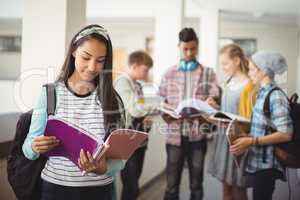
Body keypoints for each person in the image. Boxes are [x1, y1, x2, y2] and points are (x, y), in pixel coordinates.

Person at [22, 24, 126, 200]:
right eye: (86, 57)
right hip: (55, 190)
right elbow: (28, 147)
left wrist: (103, 168)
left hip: (100, 191)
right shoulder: (50, 93)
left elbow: (120, 159)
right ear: (73, 51)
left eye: (100, 60)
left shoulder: (111, 99)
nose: (92, 67)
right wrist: (34, 146)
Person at [158, 27, 219, 200]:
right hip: (174, 136)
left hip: (197, 137)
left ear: (197, 46)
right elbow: (161, 101)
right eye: (185, 49)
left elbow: (214, 100)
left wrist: (211, 103)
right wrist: (166, 111)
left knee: (196, 184)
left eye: (193, 48)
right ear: (179, 46)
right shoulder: (168, 73)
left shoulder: (208, 73)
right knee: (171, 185)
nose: (190, 52)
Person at [230, 51, 293, 200]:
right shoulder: (262, 93)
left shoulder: (275, 96)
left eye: (252, 69)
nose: (249, 73)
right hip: (258, 161)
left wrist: (252, 141)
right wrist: (247, 137)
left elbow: (286, 134)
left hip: (267, 165)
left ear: (263, 71)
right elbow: (265, 127)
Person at [208, 44, 256, 200]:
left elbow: (250, 119)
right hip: (223, 139)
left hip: (237, 141)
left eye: (225, 63)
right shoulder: (228, 82)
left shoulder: (249, 86)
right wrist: (216, 107)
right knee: (226, 188)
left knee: (238, 188)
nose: (222, 67)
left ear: (236, 60)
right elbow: (227, 109)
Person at [114, 50, 155, 200]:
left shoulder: (137, 85)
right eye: (145, 69)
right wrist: (154, 107)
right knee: (131, 186)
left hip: (139, 141)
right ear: (135, 66)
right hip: (127, 143)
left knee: (133, 185)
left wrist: (147, 118)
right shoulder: (122, 83)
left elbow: (140, 110)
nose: (147, 73)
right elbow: (135, 109)